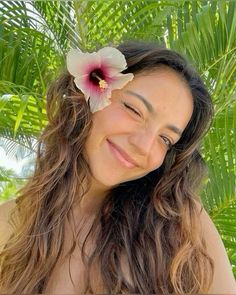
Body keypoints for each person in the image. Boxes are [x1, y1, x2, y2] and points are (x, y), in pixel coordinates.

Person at [0, 40, 235, 294]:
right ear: (89, 93)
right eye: (134, 110)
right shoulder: (9, 224)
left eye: (165, 139)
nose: (143, 146)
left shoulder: (181, 226)